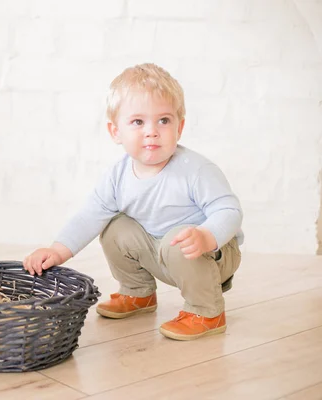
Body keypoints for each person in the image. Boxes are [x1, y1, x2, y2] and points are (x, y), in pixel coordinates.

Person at [23, 63, 243, 341]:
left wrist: (207, 235)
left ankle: (207, 311)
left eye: (163, 120)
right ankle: (138, 292)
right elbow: (90, 215)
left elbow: (229, 210)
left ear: (180, 127)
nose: (151, 131)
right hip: (160, 250)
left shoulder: (196, 170)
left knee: (177, 238)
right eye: (138, 122)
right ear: (116, 132)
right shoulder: (118, 175)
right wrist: (57, 250)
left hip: (211, 253)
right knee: (115, 227)